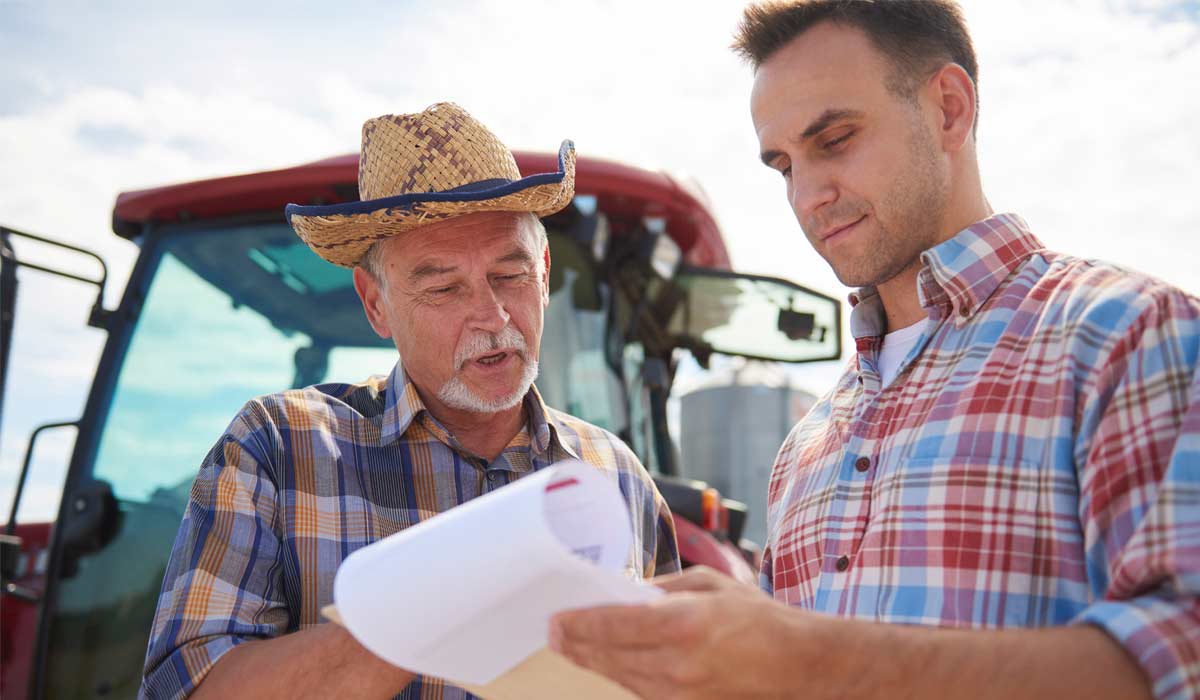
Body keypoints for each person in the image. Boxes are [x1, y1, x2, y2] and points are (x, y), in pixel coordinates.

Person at [549, 2, 1199, 699]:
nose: (807, 195)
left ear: (950, 109)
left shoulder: (1128, 336)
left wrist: (813, 659)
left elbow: (1183, 655)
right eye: (783, 166)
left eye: (834, 140)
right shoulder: (806, 449)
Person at [141, 102, 681, 700]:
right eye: (445, 287)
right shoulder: (278, 446)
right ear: (375, 303)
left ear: (545, 271)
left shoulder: (620, 477)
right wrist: (465, 594)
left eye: (511, 275)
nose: (494, 317)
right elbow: (187, 690)